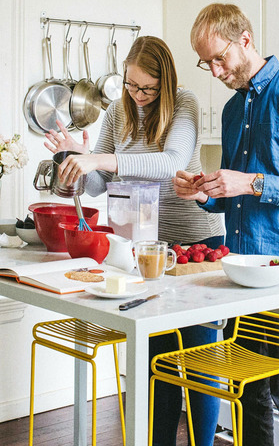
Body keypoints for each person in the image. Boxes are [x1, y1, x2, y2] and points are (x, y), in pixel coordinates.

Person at [172, 3, 279, 446]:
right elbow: (235, 199)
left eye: (218, 58)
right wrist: (206, 193)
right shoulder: (231, 112)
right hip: (241, 269)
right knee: (248, 391)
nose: (212, 70)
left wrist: (252, 182)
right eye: (204, 61)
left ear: (244, 39)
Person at [44, 35, 223, 446]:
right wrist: (71, 161)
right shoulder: (116, 113)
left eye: (146, 88)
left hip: (193, 247)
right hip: (141, 251)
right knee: (152, 361)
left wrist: (99, 159)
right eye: (130, 84)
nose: (137, 95)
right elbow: (95, 185)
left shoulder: (184, 104)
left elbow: (171, 163)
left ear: (166, 82)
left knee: (197, 363)